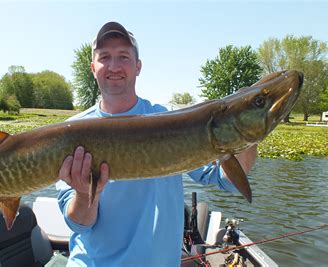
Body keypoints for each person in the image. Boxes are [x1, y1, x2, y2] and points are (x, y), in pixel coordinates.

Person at [55, 21, 257, 266]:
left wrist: (249, 131)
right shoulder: (69, 133)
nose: (114, 66)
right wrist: (84, 193)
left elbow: (226, 182)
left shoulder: (173, 121)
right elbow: (78, 224)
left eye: (123, 56)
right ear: (92, 67)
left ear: (138, 66)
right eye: (104, 57)